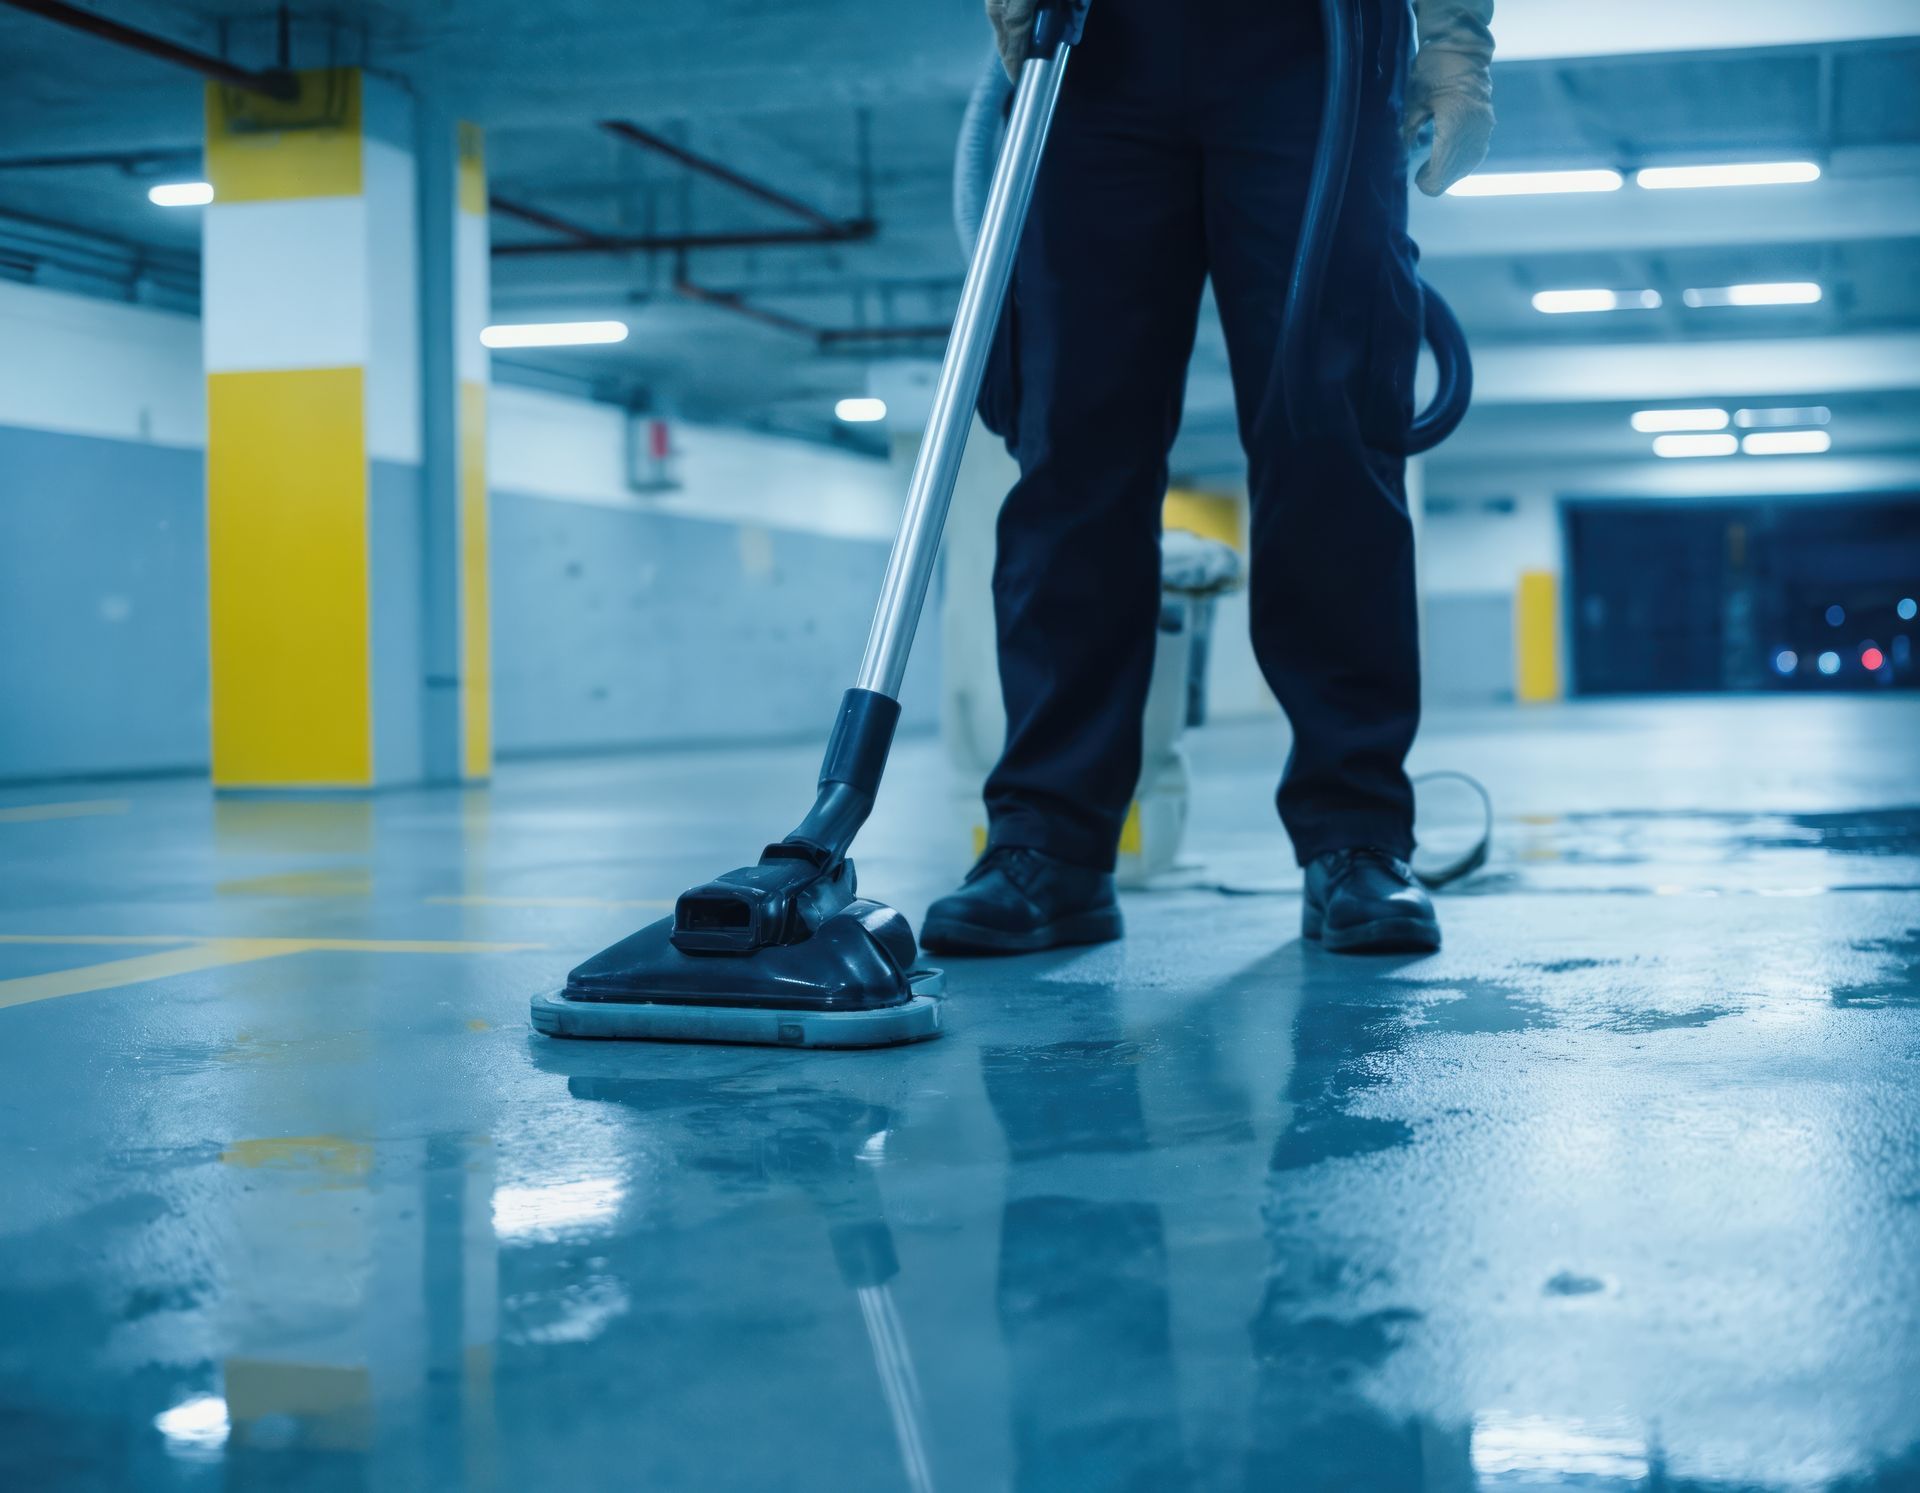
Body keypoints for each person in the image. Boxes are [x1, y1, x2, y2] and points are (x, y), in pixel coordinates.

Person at [921, 0, 1495, 957]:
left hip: (1314, 45)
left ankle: (1355, 838)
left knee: (1331, 440)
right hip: (1098, 40)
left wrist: (1455, 42)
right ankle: (1048, 846)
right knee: (1071, 451)